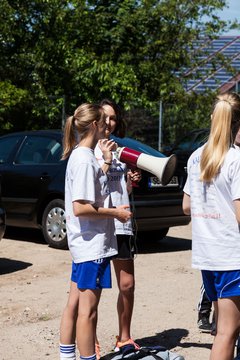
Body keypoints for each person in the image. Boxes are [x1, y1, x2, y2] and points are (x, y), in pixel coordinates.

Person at [59, 103, 132, 360]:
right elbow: (80, 207)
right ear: (94, 125)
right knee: (87, 311)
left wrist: (107, 164)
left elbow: (90, 188)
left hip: (87, 244)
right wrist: (116, 213)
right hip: (91, 246)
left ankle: (67, 356)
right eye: (103, 122)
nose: (107, 127)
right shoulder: (82, 158)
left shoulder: (86, 156)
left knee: (78, 305)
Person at [182, 92, 240, 360]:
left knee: (220, 330)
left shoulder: (196, 156)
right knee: (228, 332)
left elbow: (186, 206)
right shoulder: (236, 158)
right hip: (232, 255)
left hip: (208, 254)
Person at [95, 99, 141, 352]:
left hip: (122, 225)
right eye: (105, 117)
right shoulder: (89, 150)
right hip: (99, 225)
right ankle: (88, 336)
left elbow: (122, 188)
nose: (110, 123)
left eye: (113, 118)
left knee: (127, 285)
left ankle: (124, 336)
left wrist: (131, 179)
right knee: (95, 287)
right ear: (95, 119)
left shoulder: (121, 149)